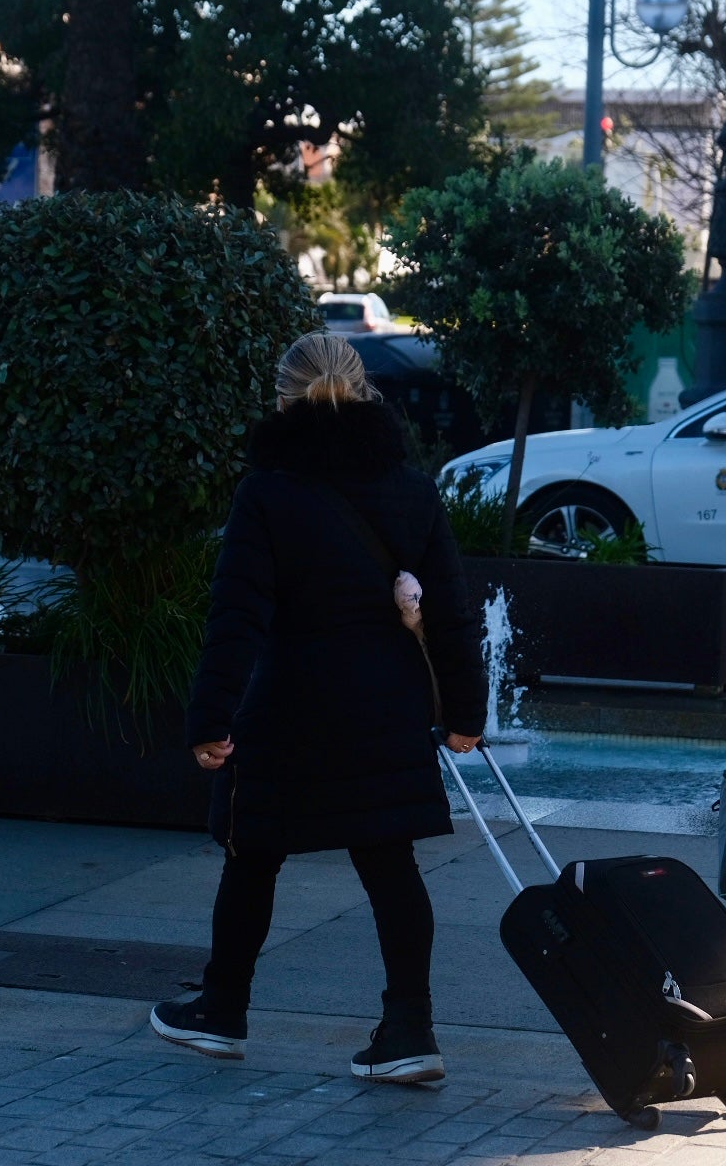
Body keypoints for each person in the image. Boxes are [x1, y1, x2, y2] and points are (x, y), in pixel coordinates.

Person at [151, 331, 488, 1083]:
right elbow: (452, 612)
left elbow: (237, 615)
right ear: (364, 391)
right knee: (391, 865)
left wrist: (210, 719)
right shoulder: (409, 486)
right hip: (386, 707)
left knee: (254, 854)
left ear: (282, 397)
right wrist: (467, 712)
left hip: (289, 708)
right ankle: (411, 1030)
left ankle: (222, 1009)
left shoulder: (269, 489)